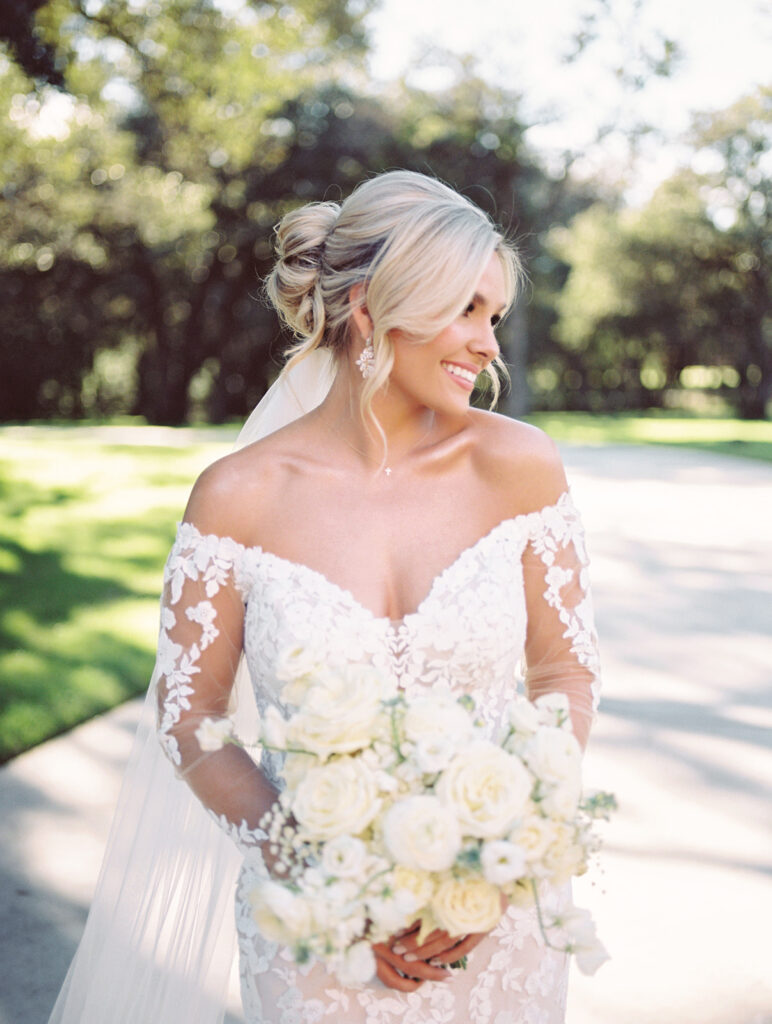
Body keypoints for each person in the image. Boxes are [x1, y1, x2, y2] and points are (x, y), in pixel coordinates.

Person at [48, 170, 600, 1024]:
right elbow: (189, 713)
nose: (489, 344)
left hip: (492, 926)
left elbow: (564, 674)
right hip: (310, 932)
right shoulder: (239, 496)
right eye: (464, 310)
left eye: (494, 316)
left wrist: (489, 855)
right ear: (370, 313)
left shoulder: (519, 468)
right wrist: (321, 872)